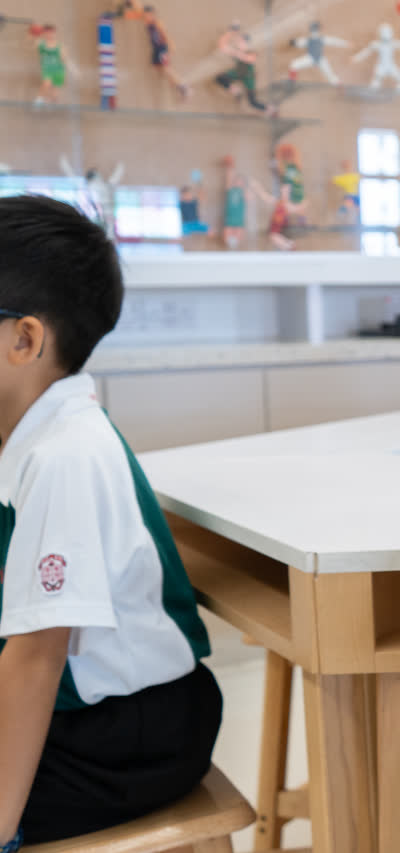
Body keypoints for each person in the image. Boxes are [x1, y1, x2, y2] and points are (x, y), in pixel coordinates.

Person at [0, 195, 222, 849]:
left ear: (24, 339)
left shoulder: (64, 455)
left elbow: (37, 659)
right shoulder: (27, 434)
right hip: (89, 715)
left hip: (129, 736)